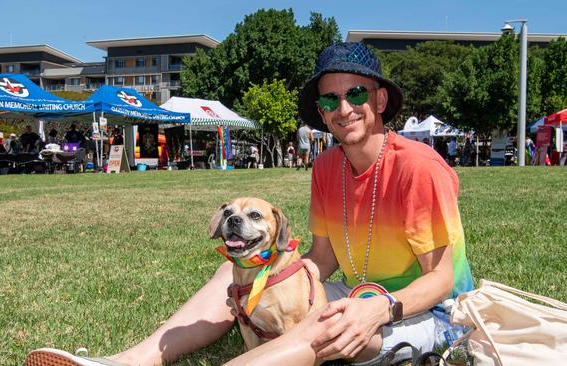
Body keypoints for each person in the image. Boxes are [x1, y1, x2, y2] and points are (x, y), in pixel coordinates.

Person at [25, 42, 473, 366]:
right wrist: (266, 276)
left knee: (321, 326)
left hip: (428, 312)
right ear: (321, 112)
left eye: (356, 94)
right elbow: (323, 258)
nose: (344, 107)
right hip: (358, 292)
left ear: (379, 100)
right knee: (237, 272)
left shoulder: (419, 167)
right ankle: (129, 362)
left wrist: (380, 307)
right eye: (331, 98)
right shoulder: (326, 167)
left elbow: (441, 279)